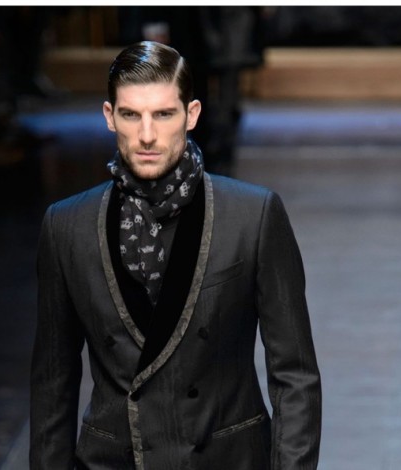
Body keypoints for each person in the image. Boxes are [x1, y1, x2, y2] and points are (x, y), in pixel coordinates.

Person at [30, 41, 321, 469]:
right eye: (131, 115)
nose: (147, 135)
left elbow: (294, 374)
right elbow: (53, 383)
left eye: (164, 114)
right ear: (110, 116)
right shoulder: (67, 225)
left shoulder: (252, 215)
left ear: (192, 114)